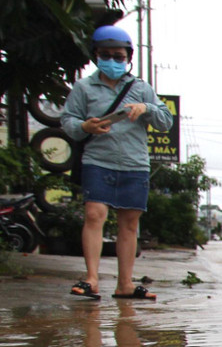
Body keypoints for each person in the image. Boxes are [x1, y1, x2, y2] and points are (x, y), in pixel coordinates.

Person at [60, 25, 174, 301]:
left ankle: (125, 284)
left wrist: (146, 108)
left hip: (135, 164)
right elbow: (68, 121)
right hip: (97, 161)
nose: (112, 60)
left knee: (129, 223)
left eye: (118, 56)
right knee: (94, 215)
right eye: (106, 55)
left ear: (128, 57)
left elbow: (166, 121)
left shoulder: (142, 88)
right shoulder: (84, 87)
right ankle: (91, 279)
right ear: (96, 55)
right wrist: (85, 126)